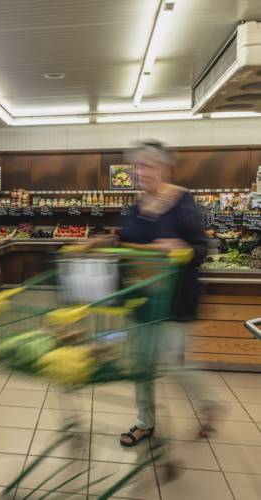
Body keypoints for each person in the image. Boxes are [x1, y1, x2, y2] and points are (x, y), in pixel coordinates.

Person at [118, 140, 213, 447]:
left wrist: (182, 248)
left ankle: (209, 404)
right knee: (140, 363)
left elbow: (202, 247)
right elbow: (124, 242)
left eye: (149, 165)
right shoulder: (135, 207)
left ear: (164, 167)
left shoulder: (183, 201)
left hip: (175, 297)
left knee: (172, 361)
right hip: (142, 296)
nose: (143, 172)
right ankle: (145, 423)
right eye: (139, 166)